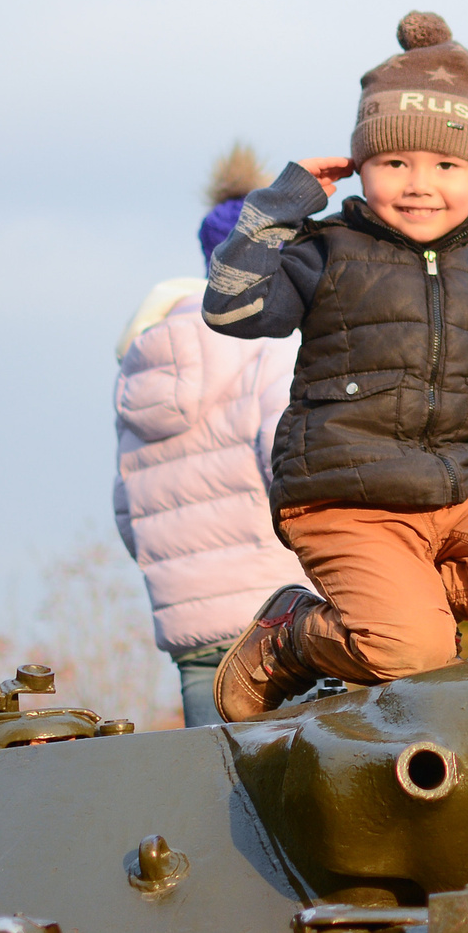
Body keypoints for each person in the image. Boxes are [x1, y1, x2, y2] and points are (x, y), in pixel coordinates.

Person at [200, 11, 468, 718]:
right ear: (360, 169)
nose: (420, 183)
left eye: (446, 165)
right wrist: (279, 205)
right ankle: (294, 637)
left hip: (465, 493)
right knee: (411, 655)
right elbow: (233, 309)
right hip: (347, 497)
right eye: (394, 162)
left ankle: (407, 607)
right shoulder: (326, 250)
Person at [112, 144, 311, 727]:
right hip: (278, 616)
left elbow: (128, 513)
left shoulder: (141, 365)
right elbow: (293, 469)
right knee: (293, 787)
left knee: (222, 787)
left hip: (188, 626)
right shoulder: (269, 348)